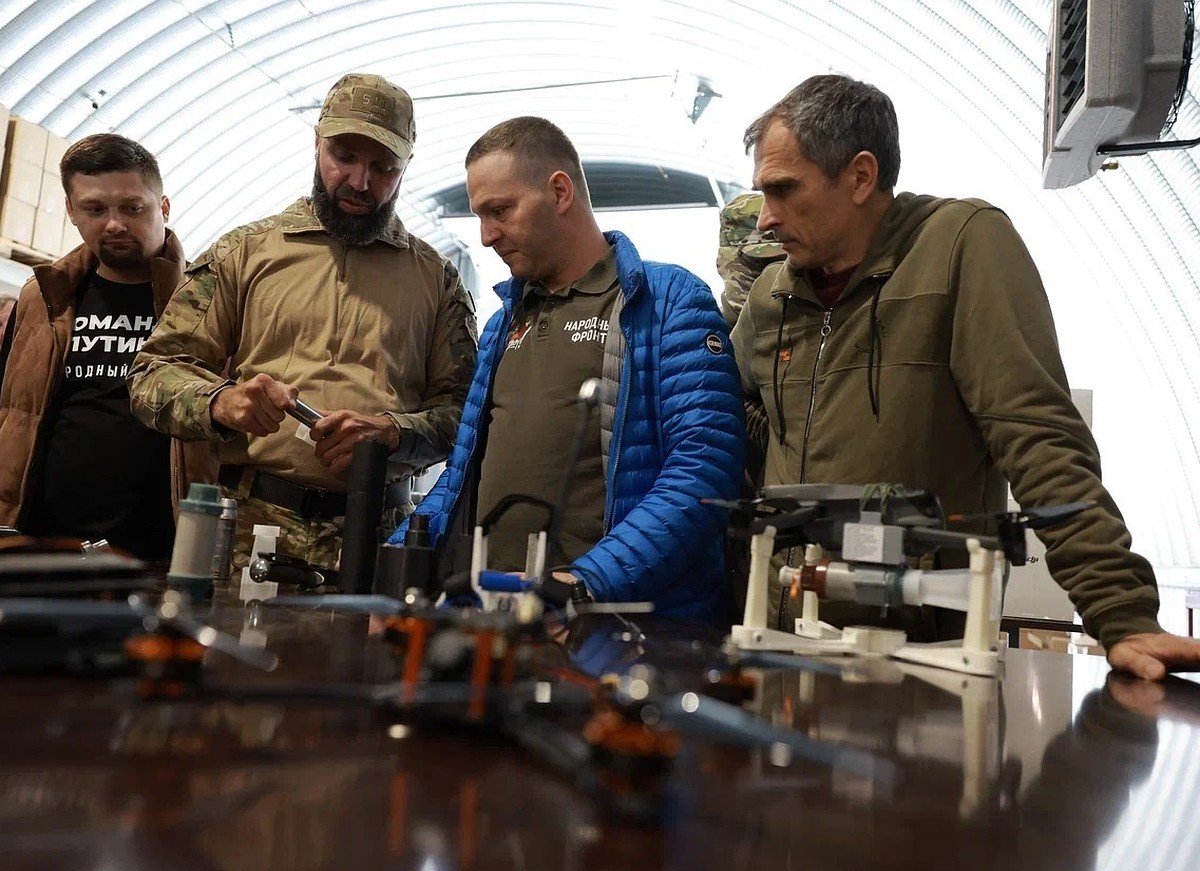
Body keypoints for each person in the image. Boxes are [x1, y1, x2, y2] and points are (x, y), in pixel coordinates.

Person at [730, 73, 1200, 680]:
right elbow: (724, 423)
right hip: (784, 646)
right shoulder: (772, 295)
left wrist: (1121, 613)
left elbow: (1038, 436)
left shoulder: (961, 247)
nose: (764, 219)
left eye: (783, 190)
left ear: (860, 176)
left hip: (922, 661)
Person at [389, 116, 744, 621]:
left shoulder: (666, 302)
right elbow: (462, 475)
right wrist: (396, 557)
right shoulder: (501, 325)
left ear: (559, 192)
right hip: (495, 615)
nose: (487, 236)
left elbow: (703, 470)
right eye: (479, 217)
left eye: (500, 211)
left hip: (607, 622)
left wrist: (583, 583)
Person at [128, 73, 478, 569]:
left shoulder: (437, 281)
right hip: (247, 533)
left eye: (383, 167)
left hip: (379, 541)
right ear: (316, 144)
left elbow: (464, 413)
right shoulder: (243, 255)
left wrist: (394, 433)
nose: (360, 182)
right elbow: (151, 376)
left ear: (405, 169)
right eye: (345, 157)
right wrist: (221, 402)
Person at [0, 134, 216, 561]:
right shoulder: (42, 298)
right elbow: (12, 413)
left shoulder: (205, 302)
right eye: (95, 209)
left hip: (158, 550)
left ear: (164, 207)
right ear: (71, 211)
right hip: (45, 545)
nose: (114, 224)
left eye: (132, 208)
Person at [715, 192, 784, 328]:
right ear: (724, 260)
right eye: (759, 263)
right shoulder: (708, 333)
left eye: (785, 262)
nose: (776, 273)